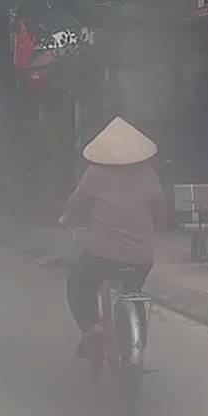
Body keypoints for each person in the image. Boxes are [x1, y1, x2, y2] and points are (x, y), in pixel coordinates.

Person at [59, 117, 164, 358]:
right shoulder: (148, 174)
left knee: (79, 284)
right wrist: (152, 230)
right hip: (141, 258)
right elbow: (160, 208)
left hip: (102, 256)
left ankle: (94, 328)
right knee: (134, 291)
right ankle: (137, 347)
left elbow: (76, 203)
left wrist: (67, 219)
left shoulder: (95, 173)